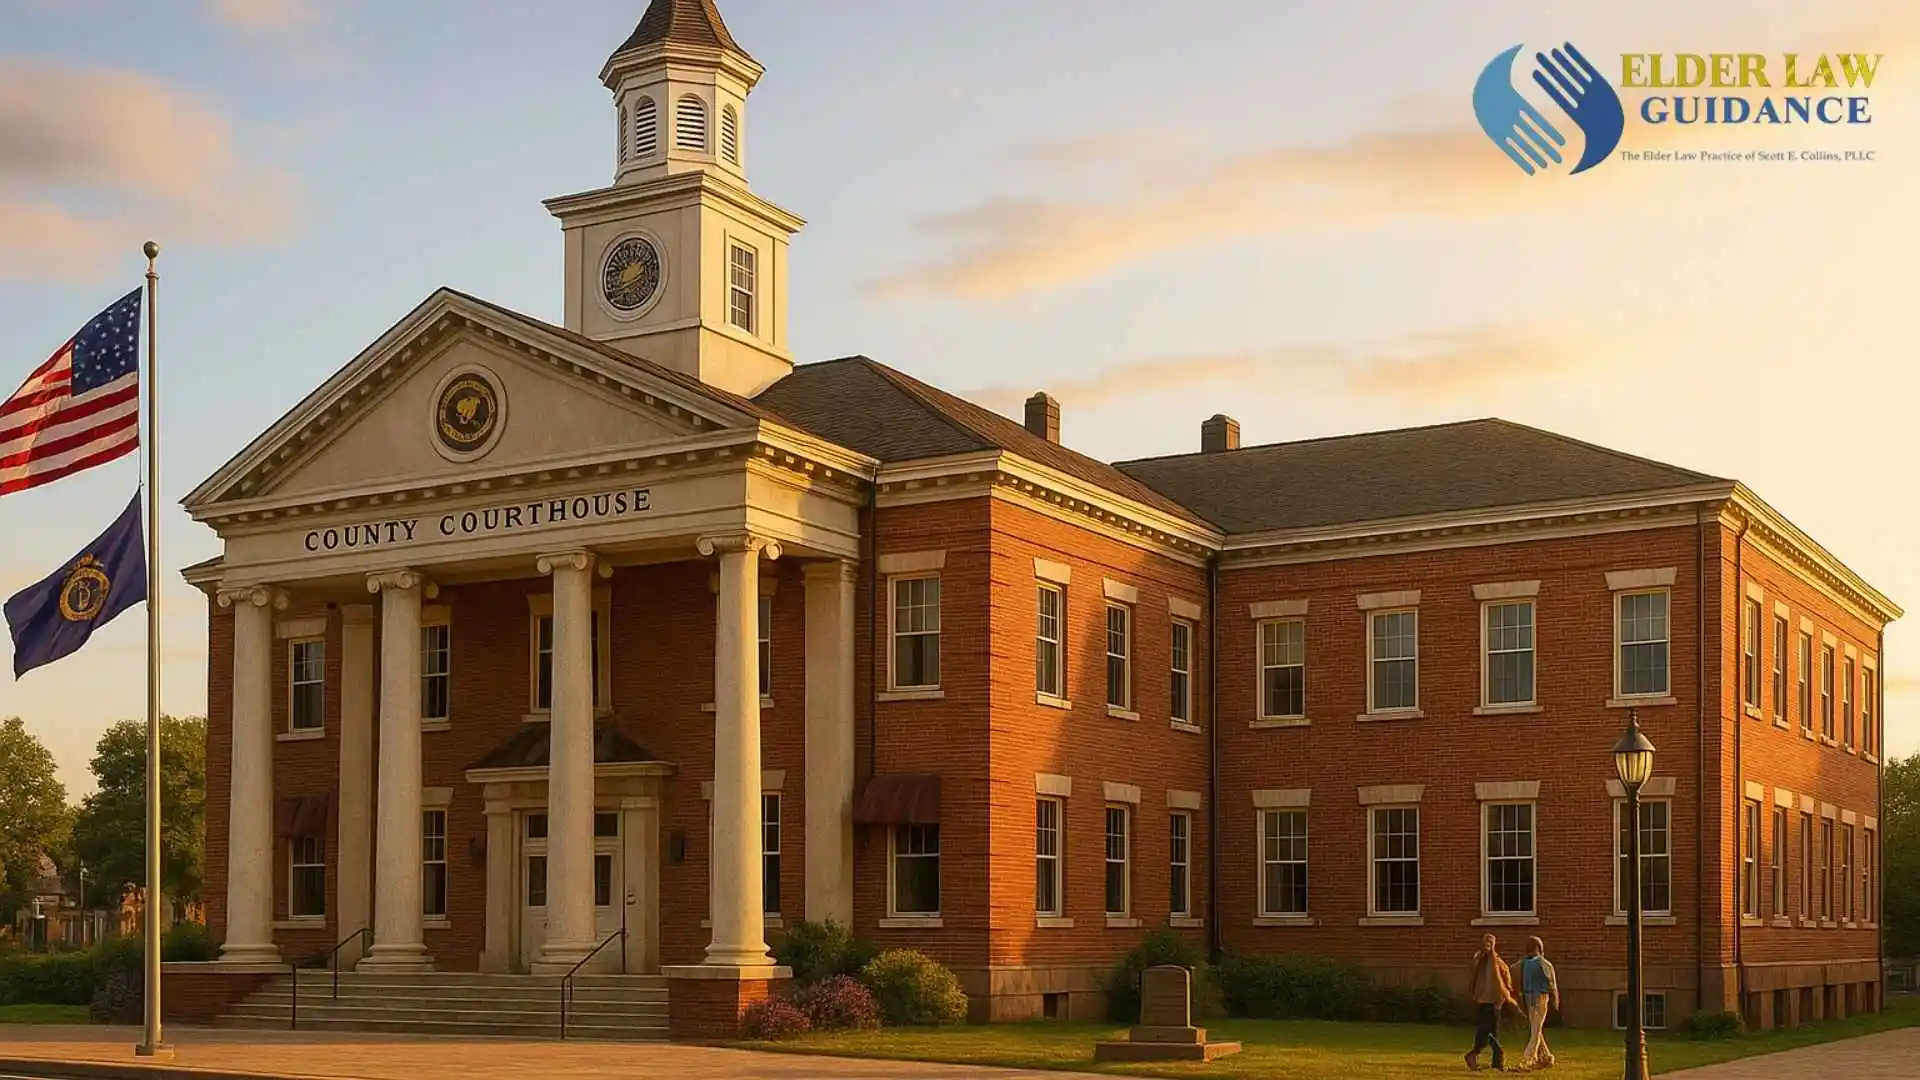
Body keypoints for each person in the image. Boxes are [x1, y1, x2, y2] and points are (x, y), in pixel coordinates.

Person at [1465, 933, 1515, 1072]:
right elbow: (1474, 976)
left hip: (1494, 1001)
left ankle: (1495, 1061)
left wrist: (1506, 995)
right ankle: (1477, 1055)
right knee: (1487, 1032)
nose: (1488, 945)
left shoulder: (1497, 961)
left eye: (1490, 942)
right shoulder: (1479, 961)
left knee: (1491, 1032)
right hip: (1485, 1001)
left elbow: (1504, 978)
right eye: (1486, 942)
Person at [1515, 936, 1560, 1070]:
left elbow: (1551, 982)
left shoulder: (1539, 963)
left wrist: (1555, 998)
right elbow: (1551, 982)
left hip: (1539, 997)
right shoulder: (1529, 963)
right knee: (1536, 1029)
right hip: (1532, 997)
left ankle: (1528, 1059)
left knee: (1535, 1029)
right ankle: (1547, 1057)